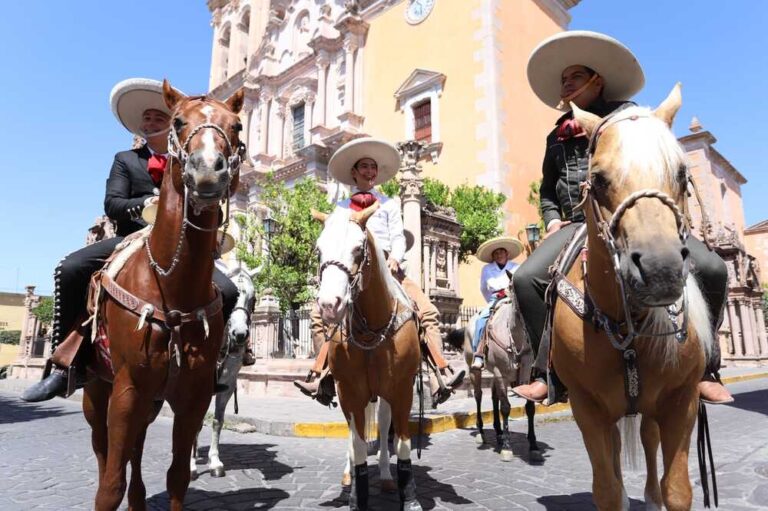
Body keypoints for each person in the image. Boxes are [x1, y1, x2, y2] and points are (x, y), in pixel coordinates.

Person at [510, 31, 733, 405]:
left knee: (713, 269)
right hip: (579, 223)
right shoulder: (555, 138)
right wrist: (551, 219)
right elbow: (548, 190)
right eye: (564, 79)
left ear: (597, 81)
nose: (566, 83)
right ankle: (547, 372)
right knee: (525, 278)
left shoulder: (631, 117)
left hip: (636, 214)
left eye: (574, 76)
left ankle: (706, 366)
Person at [21, 78, 245, 402]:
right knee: (69, 268)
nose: (152, 122)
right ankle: (67, 364)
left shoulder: (194, 154)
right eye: (148, 118)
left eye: (159, 118)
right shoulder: (126, 160)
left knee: (228, 290)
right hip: (132, 237)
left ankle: (211, 367)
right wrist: (147, 204)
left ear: (172, 124)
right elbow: (112, 204)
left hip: (182, 247)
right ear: (142, 125)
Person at [294, 137, 465, 406]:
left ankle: (439, 371)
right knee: (319, 315)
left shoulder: (389, 204)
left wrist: (396, 258)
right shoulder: (340, 209)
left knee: (427, 311)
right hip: (352, 268)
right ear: (354, 172)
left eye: (373, 167)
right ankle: (323, 375)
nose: (369, 172)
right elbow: (334, 241)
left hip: (388, 268)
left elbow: (398, 237)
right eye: (364, 167)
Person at [470, 237, 523, 369]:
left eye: (501, 252)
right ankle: (479, 355)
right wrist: (491, 301)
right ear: (493, 256)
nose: (499, 255)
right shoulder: (487, 269)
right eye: (496, 253)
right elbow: (483, 288)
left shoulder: (516, 267)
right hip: (496, 298)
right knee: (481, 319)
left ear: (507, 253)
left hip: (514, 297)